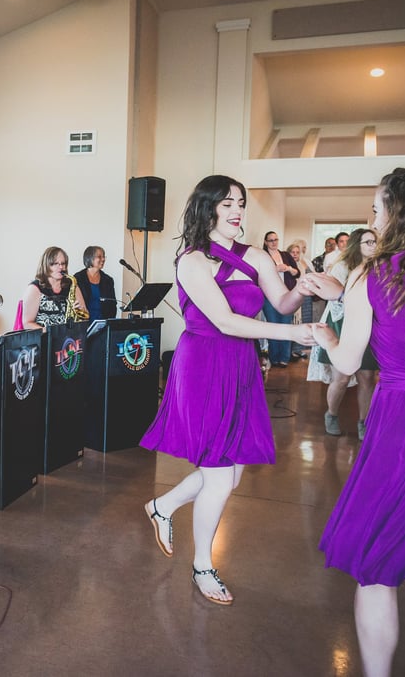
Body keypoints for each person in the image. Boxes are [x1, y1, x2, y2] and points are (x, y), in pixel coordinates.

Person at [139, 176, 316, 605]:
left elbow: (282, 301)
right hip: (203, 364)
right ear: (208, 208)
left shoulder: (255, 255)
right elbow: (224, 321)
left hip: (241, 367)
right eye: (226, 203)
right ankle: (203, 565)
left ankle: (162, 506)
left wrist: (302, 290)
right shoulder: (191, 261)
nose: (236, 210)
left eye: (240, 203)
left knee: (232, 472)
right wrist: (293, 335)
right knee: (219, 475)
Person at [314, 167, 405, 676]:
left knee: (376, 568)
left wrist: (326, 335)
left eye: (377, 208)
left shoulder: (375, 276)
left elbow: (347, 363)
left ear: (397, 212)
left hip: (402, 429)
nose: (374, 217)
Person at [312, 228, 379, 438]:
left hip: (368, 325)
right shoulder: (342, 267)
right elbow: (335, 301)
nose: (374, 246)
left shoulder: (379, 268)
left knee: (367, 377)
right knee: (341, 377)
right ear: (356, 245)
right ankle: (331, 414)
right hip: (342, 323)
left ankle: (363, 422)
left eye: (375, 242)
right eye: (368, 242)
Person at [21, 246, 88, 330]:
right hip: (44, 340)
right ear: (46, 266)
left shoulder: (72, 285)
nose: (61, 267)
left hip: (69, 339)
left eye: (63, 264)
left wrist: (80, 311)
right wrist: (50, 333)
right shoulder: (35, 289)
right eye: (55, 264)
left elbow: (85, 317)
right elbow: (27, 323)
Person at [261, 230, 300, 367]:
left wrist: (288, 268)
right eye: (270, 240)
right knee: (273, 326)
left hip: (287, 295)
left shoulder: (285, 255)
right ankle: (274, 357)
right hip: (269, 296)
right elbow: (257, 274)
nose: (274, 242)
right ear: (266, 242)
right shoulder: (262, 256)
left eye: (276, 240)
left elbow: (297, 273)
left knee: (286, 326)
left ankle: (284, 358)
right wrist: (274, 269)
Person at [73, 246, 117, 321]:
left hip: (103, 325)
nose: (103, 259)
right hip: (83, 324)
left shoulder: (108, 280)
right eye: (99, 257)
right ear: (90, 258)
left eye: (104, 257)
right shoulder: (78, 278)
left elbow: (112, 306)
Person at [287, 240, 312, 360]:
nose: (295, 254)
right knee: (293, 322)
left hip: (306, 298)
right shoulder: (287, 265)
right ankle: (290, 350)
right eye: (293, 252)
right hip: (294, 295)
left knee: (303, 322)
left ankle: (299, 349)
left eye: (297, 252)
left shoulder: (304, 263)